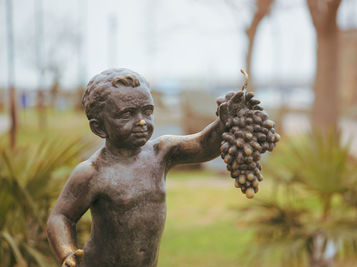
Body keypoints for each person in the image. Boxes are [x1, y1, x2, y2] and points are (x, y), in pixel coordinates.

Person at [47, 68, 250, 267]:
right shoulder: (92, 172)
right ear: (98, 127)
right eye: (127, 114)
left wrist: (223, 123)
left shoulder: (161, 152)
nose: (142, 121)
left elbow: (203, 145)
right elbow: (61, 216)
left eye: (147, 111)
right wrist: (67, 252)